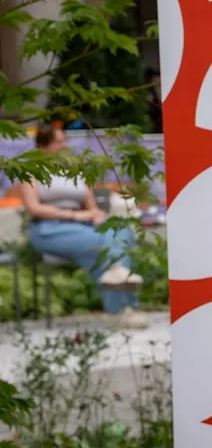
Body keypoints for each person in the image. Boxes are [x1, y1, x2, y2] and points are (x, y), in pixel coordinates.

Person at [17, 124, 146, 328]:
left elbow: (91, 206)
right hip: (49, 228)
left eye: (64, 140)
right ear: (43, 146)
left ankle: (119, 278)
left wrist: (96, 216)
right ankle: (123, 309)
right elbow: (33, 208)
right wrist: (75, 215)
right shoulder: (30, 171)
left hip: (84, 225)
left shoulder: (74, 170)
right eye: (58, 141)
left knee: (120, 230)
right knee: (102, 245)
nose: (64, 145)